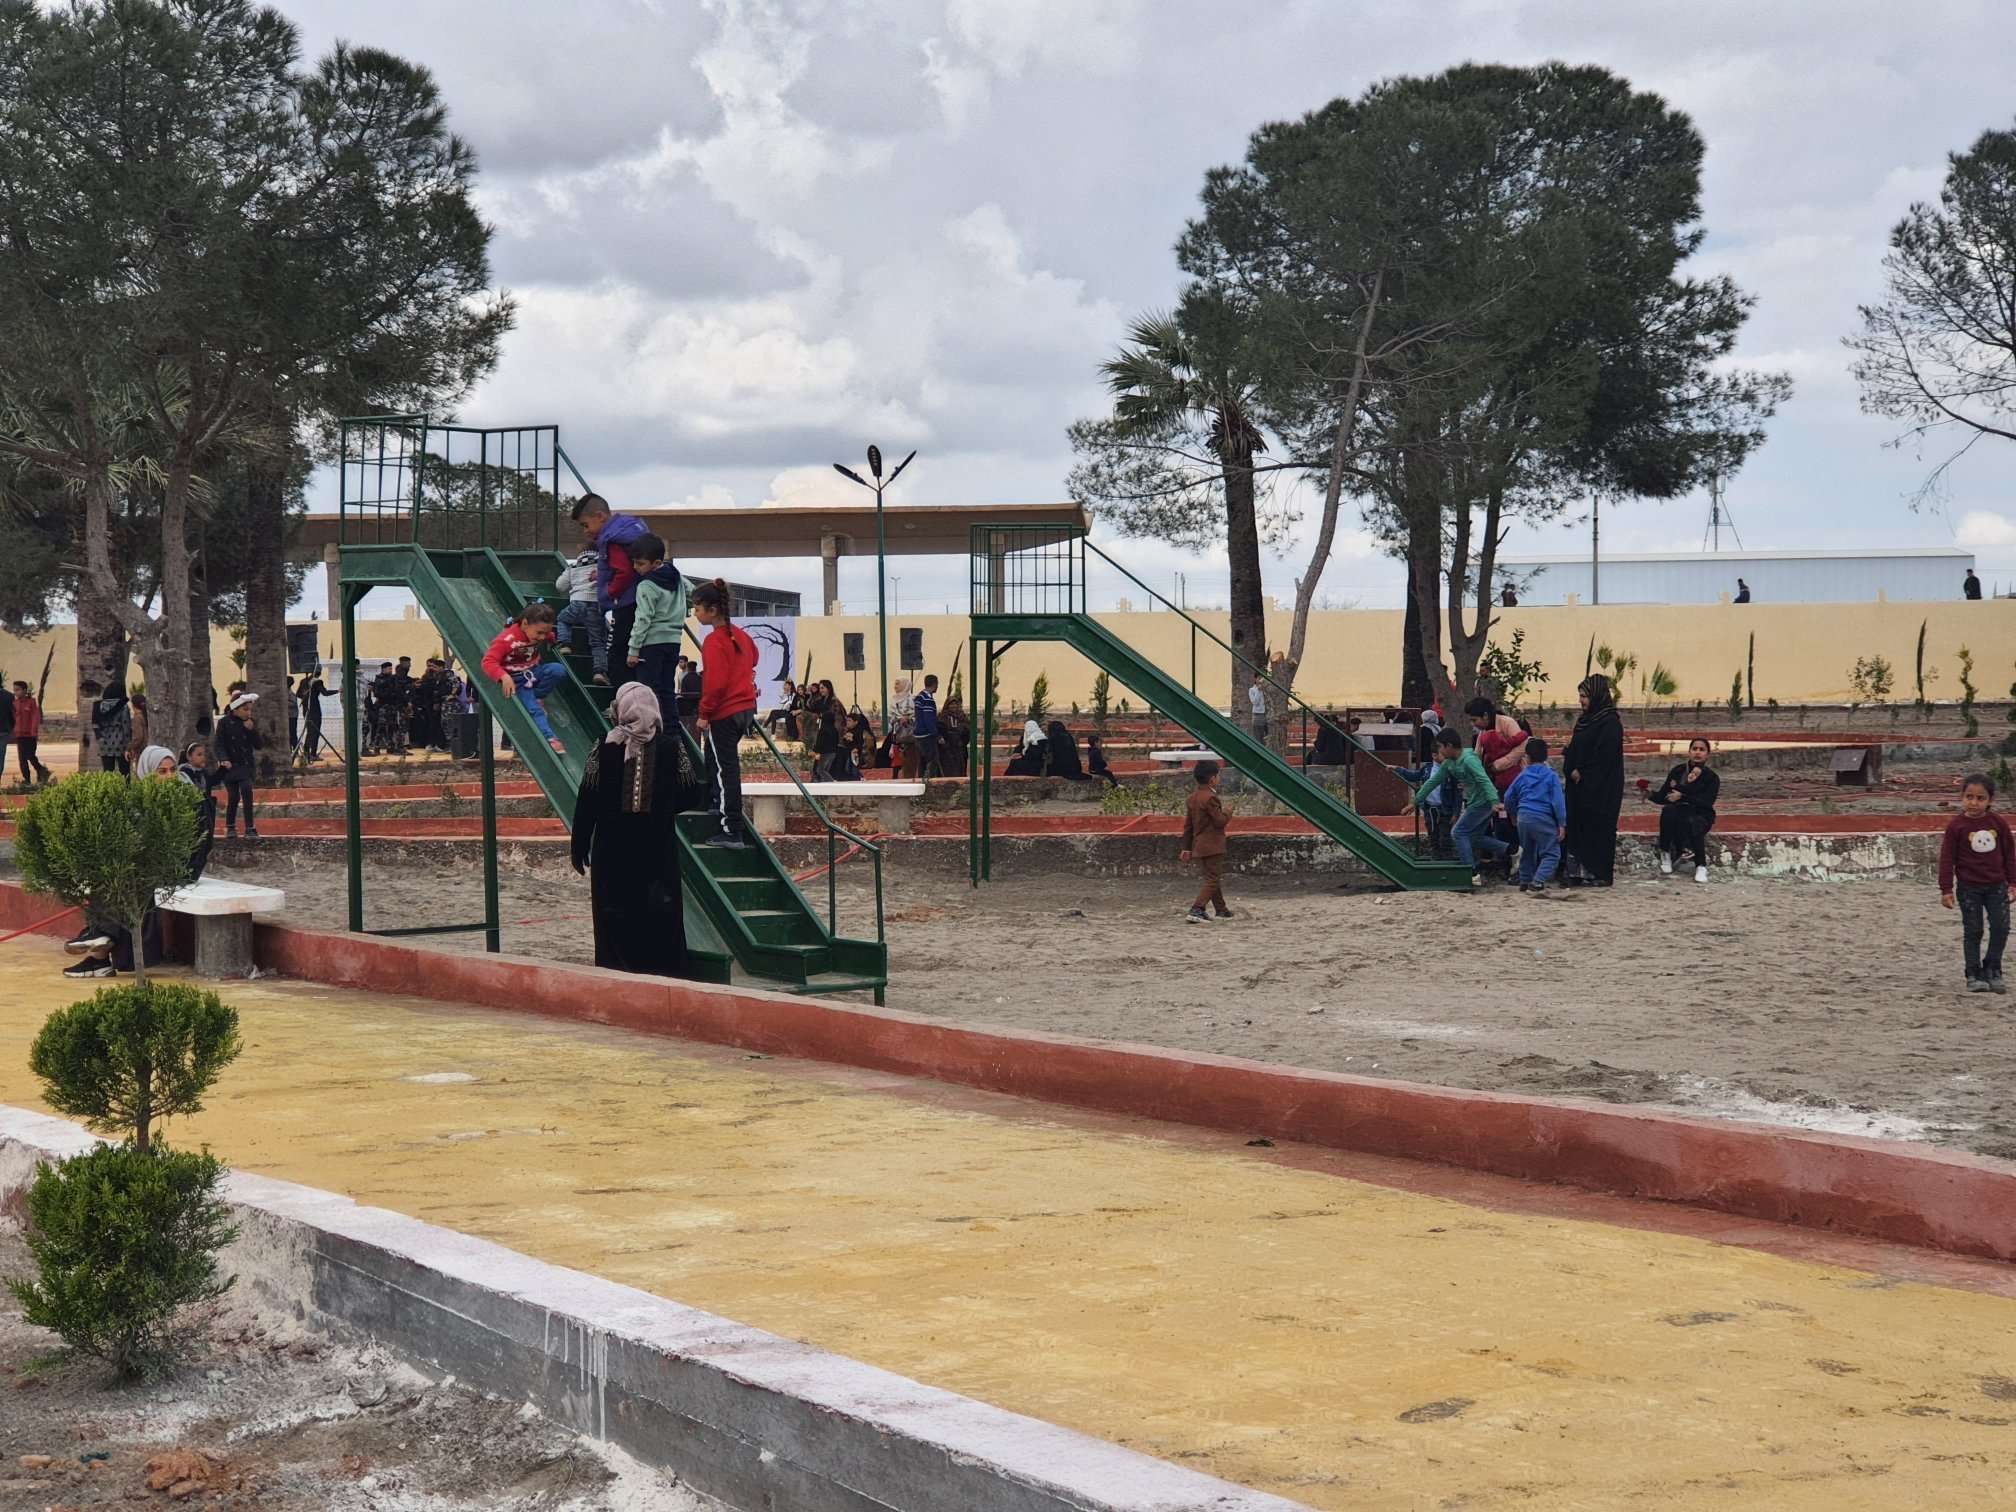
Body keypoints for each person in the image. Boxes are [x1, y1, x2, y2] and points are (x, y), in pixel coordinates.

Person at [570, 683, 696, 978]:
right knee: (659, 915)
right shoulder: (672, 747)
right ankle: (664, 979)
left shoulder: (604, 746)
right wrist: (662, 808)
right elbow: (691, 793)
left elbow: (587, 799)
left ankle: (617, 978)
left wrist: (579, 845)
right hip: (657, 851)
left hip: (612, 852)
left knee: (614, 915)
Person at [63, 743, 217, 980]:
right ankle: (100, 952)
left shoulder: (191, 798)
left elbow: (200, 846)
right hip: (152, 865)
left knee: (129, 880)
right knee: (111, 872)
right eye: (161, 771)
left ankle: (101, 939)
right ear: (146, 772)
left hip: (182, 868)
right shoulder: (141, 800)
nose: (169, 777)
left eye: (172, 770)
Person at [692, 578, 758, 847]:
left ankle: (731, 827)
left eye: (697, 608)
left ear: (712, 610)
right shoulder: (740, 635)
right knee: (715, 757)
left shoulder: (713, 641)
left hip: (725, 711)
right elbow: (754, 657)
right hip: (745, 708)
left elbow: (715, 683)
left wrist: (704, 713)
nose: (695, 613)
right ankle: (715, 802)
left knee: (725, 768)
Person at [1940, 773, 2016, 995]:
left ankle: (1993, 969)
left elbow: (2009, 855)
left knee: (2001, 928)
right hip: (1968, 888)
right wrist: (1946, 889)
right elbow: (1947, 859)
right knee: (1973, 930)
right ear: (1962, 797)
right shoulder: (1956, 826)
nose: (1974, 803)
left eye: (1980, 798)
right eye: (1969, 797)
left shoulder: (1998, 824)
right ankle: (1973, 973)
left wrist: (2013, 882)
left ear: (1990, 800)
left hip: (1997, 886)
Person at [1406, 724, 1507, 887]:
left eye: (1440, 747)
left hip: (1484, 802)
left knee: (1458, 832)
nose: (1440, 751)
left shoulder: (1469, 759)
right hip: (1476, 802)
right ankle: (1513, 850)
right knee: (1474, 838)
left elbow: (1483, 779)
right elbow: (1432, 782)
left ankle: (1471, 873)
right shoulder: (1449, 763)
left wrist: (1494, 801)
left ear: (1449, 746)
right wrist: (1416, 802)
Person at [570, 492, 651, 686]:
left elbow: (623, 572)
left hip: (626, 602)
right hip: (642, 598)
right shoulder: (631, 529)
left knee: (617, 653)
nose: (585, 531)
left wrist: (608, 593)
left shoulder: (612, 540)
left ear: (600, 516)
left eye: (585, 525)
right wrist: (603, 574)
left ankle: (621, 697)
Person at [1562, 674, 1626, 886]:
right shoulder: (1584, 721)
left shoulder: (1610, 723)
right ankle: (1576, 872)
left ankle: (1599, 874)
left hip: (1602, 789)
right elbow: (1574, 749)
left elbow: (1605, 757)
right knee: (1577, 825)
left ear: (1597, 696)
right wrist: (1571, 768)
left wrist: (1583, 772)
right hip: (1578, 788)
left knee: (1599, 827)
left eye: (1585, 696)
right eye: (1580, 696)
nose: (1581, 700)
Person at [482, 602, 568, 754]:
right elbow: (488, 662)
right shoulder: (507, 640)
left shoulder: (541, 633)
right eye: (539, 633)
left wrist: (553, 641)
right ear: (525, 623)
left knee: (557, 670)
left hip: (533, 672)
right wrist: (503, 676)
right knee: (535, 710)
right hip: (517, 680)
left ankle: (538, 696)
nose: (542, 637)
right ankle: (550, 738)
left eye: (545, 633)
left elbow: (549, 636)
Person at [624, 532, 686, 720]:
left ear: (656, 563)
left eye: (640, 563)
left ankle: (649, 730)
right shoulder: (677, 578)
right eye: (634, 562)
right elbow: (692, 592)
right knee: (667, 689)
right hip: (673, 641)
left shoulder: (646, 585)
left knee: (647, 691)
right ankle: (672, 730)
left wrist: (633, 649)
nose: (635, 567)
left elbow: (643, 618)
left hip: (651, 643)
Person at [1503, 737, 1567, 894]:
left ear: (1527, 757)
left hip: (1523, 817)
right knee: (1552, 853)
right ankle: (1537, 882)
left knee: (1527, 850)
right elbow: (1558, 802)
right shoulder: (1551, 776)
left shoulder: (1522, 775)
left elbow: (1508, 797)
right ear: (1546, 756)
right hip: (1543, 817)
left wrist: (1514, 814)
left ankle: (1525, 880)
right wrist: (1561, 823)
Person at [1652, 738, 1720, 882]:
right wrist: (1649, 794)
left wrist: (1682, 796)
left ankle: (1701, 866)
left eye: (1702, 750)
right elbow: (1665, 796)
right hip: (1680, 812)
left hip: (1701, 813)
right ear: (1689, 752)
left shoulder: (1712, 777)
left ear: (1707, 754)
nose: (1697, 752)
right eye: (1694, 749)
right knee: (1668, 811)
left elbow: (1706, 803)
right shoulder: (1678, 771)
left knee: (1694, 822)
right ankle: (1665, 853)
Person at [1179, 759, 1233, 923]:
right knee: (1213, 879)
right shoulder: (1210, 798)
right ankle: (1197, 909)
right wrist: (1228, 812)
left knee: (1211, 877)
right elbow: (1219, 822)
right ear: (1212, 779)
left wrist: (1186, 848)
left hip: (1199, 845)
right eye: (1218, 776)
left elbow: (1188, 826)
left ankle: (1221, 910)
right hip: (1213, 845)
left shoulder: (1192, 798)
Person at [555, 543, 610, 683]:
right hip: (596, 606)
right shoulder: (602, 566)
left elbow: (560, 586)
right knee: (597, 642)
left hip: (577, 603)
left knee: (563, 619)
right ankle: (599, 672)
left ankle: (565, 644)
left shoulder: (574, 566)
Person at [215, 691, 263, 839]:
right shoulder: (224, 723)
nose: (248, 713)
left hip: (245, 765)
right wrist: (223, 759)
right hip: (229, 766)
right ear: (235, 709)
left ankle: (250, 827)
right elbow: (219, 744)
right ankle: (230, 826)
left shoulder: (250, 722)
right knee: (233, 796)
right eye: (245, 709)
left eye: (250, 709)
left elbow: (259, 745)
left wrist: (251, 731)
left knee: (247, 791)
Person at [83, 679, 131, 774]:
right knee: (125, 771)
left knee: (108, 770)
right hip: (120, 742)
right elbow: (126, 726)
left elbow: (95, 724)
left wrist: (99, 737)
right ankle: (126, 784)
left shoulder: (98, 706)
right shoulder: (123, 706)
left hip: (104, 742)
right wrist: (128, 745)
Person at [10, 680, 50, 784]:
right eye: (14, 690)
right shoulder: (14, 703)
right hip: (19, 735)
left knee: (30, 756)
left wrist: (33, 732)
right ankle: (27, 780)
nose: (16, 692)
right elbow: (13, 718)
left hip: (30, 735)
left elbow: (35, 718)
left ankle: (41, 770)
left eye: (18, 690)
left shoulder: (31, 702)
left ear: (24, 690)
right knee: (22, 759)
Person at [913, 674, 942, 778]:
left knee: (922, 762)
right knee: (932, 761)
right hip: (926, 735)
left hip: (918, 735)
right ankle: (929, 782)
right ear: (934, 684)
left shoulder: (919, 697)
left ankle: (921, 781)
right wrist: (937, 735)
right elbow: (929, 719)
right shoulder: (928, 700)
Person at [938, 695, 970, 779]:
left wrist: (960, 733)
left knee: (960, 770)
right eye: (951, 704)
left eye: (955, 704)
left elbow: (967, 730)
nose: (953, 706)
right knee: (948, 770)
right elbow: (939, 730)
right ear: (947, 705)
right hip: (947, 749)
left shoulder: (962, 716)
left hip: (959, 748)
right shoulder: (942, 717)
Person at [677, 657, 704, 723]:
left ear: (688, 668)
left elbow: (682, 692)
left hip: (688, 706)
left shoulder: (685, 678)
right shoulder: (700, 678)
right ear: (695, 668)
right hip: (699, 703)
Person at [1247, 678, 1267, 744]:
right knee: (1258, 737)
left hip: (1268, 715)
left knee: (1268, 737)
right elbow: (1255, 702)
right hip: (1258, 715)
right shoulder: (1252, 690)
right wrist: (1259, 690)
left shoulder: (1266, 689)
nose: (1261, 680)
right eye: (1259, 678)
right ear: (1255, 679)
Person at [0, 676, 12, 782]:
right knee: (1, 757)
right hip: (4, 731)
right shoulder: (9, 696)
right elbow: (13, 715)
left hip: (4, 731)